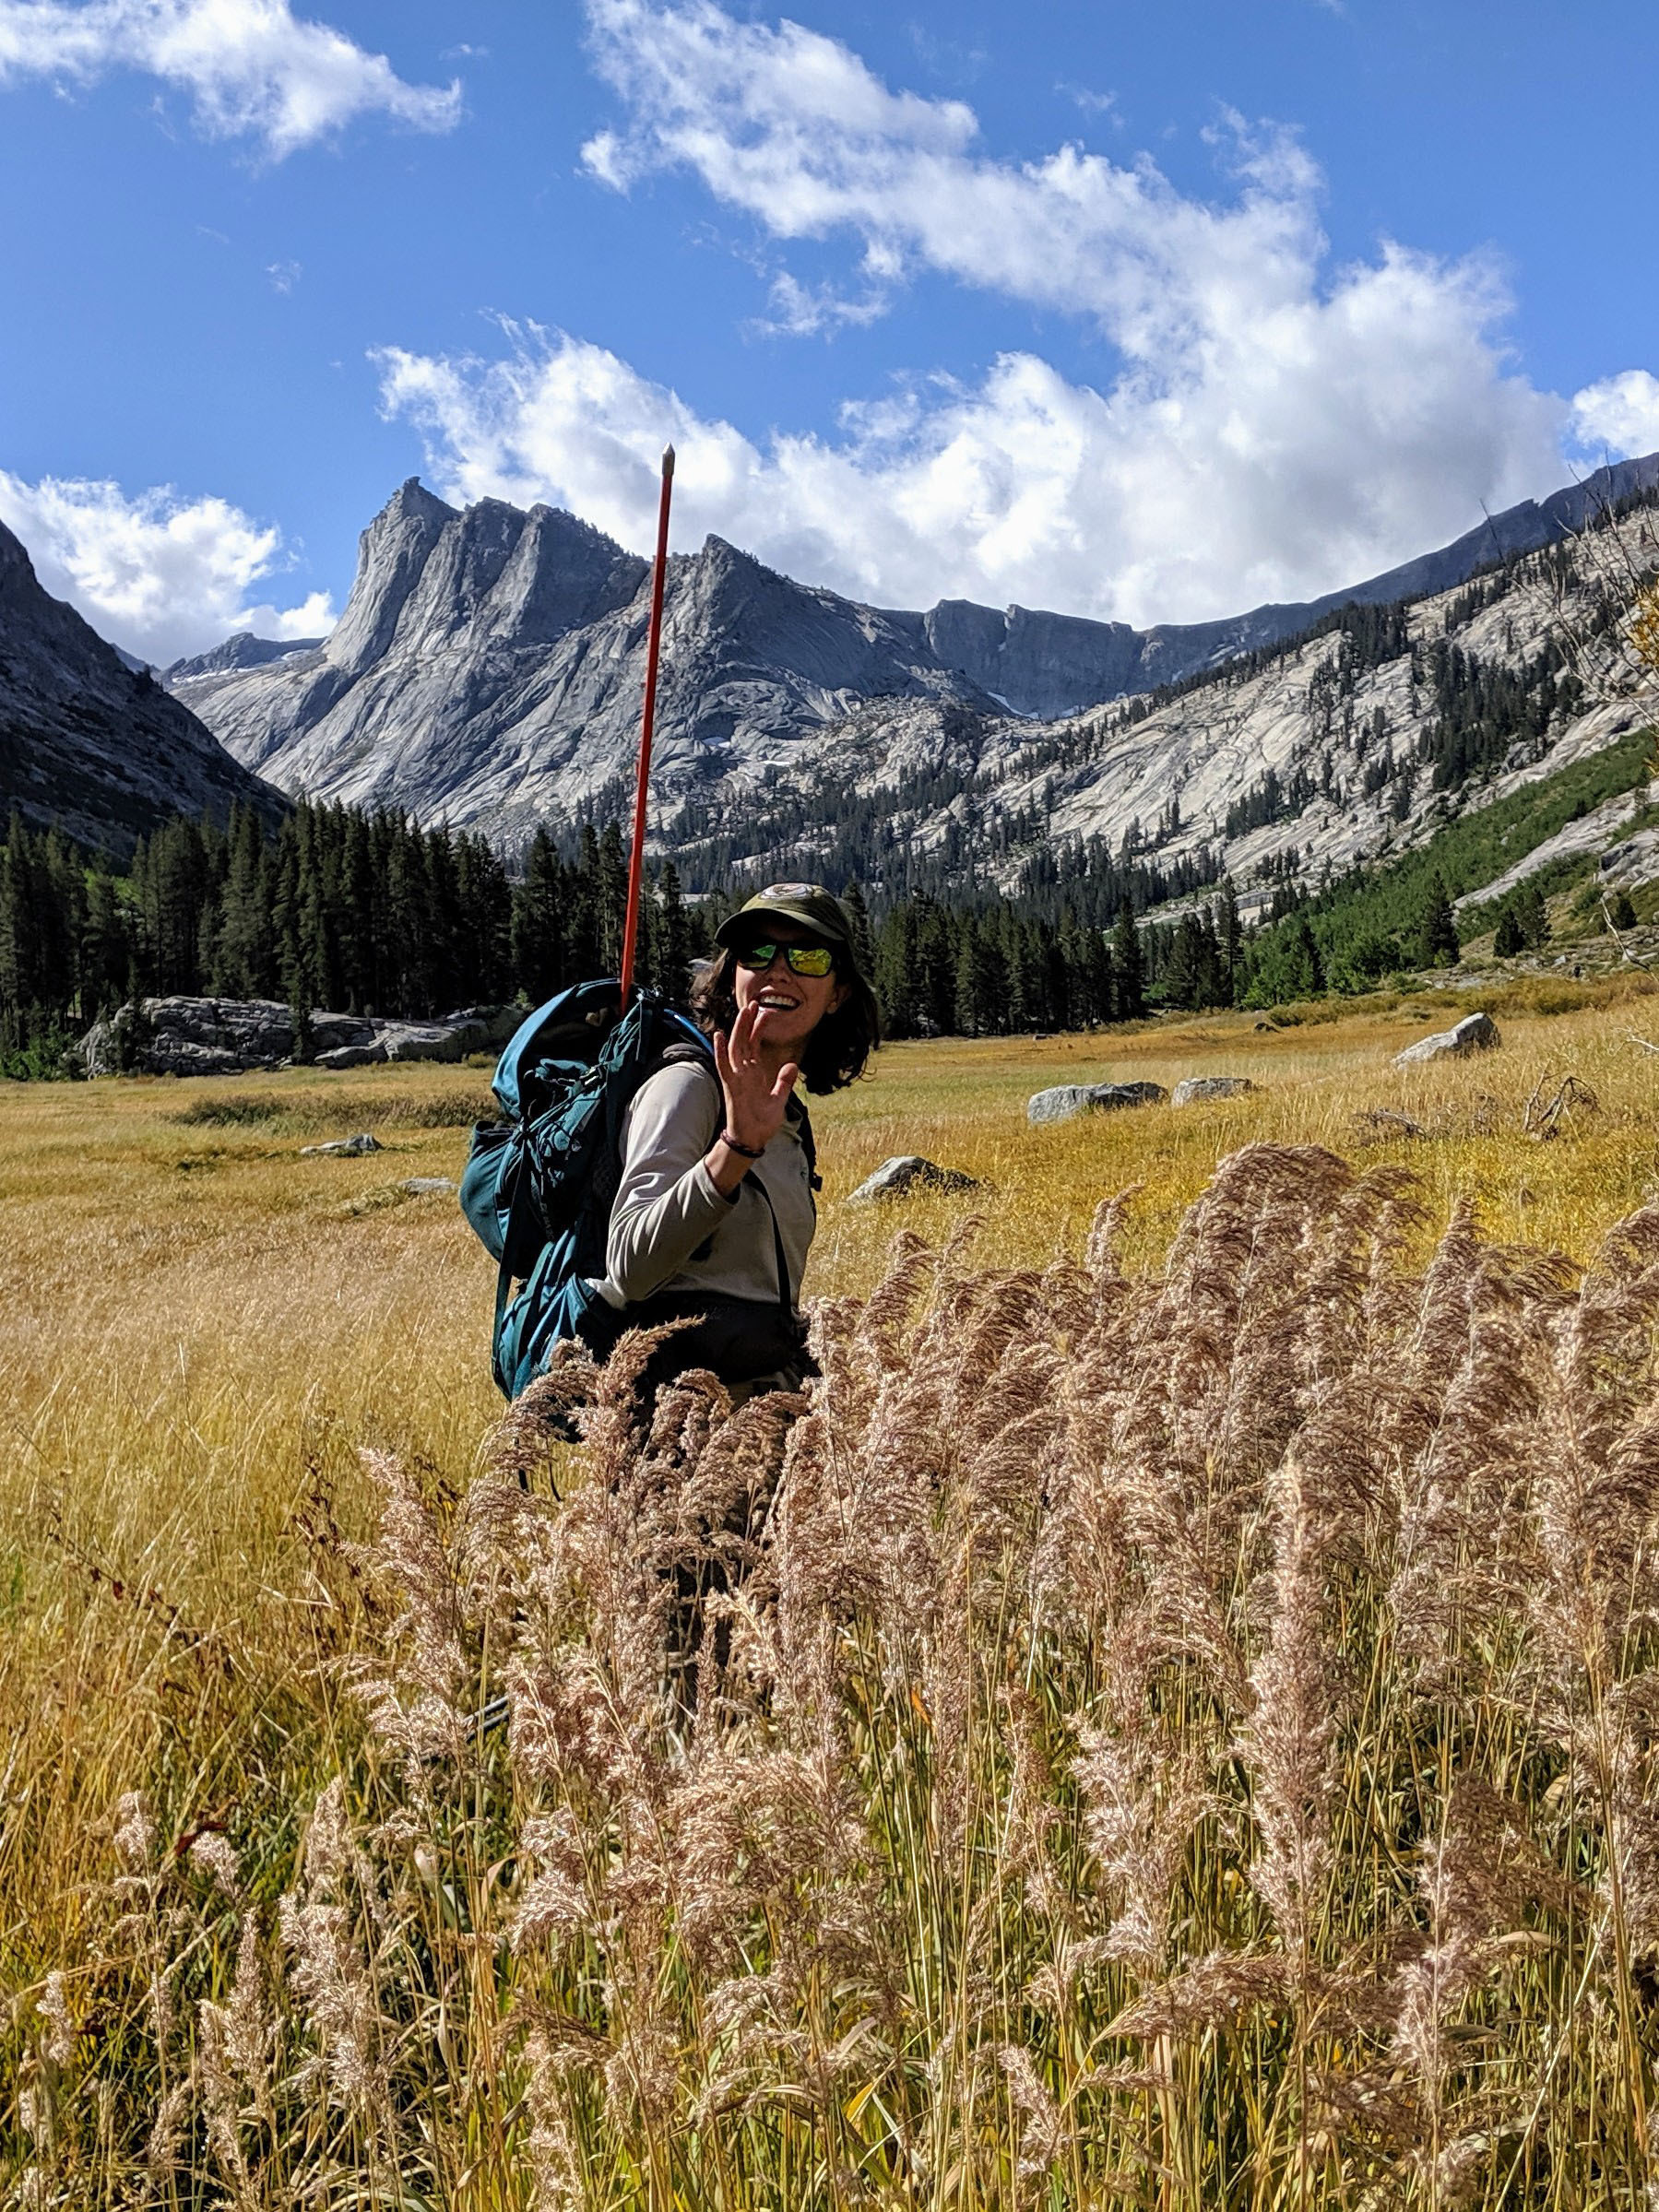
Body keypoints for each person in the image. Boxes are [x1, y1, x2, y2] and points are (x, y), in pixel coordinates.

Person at [582, 882, 879, 1405]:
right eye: (757, 952)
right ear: (732, 976)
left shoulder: (787, 1115)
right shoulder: (687, 1089)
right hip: (681, 1433)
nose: (779, 970)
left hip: (761, 1419)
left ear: (839, 994)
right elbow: (628, 1266)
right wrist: (734, 1150)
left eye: (809, 955)